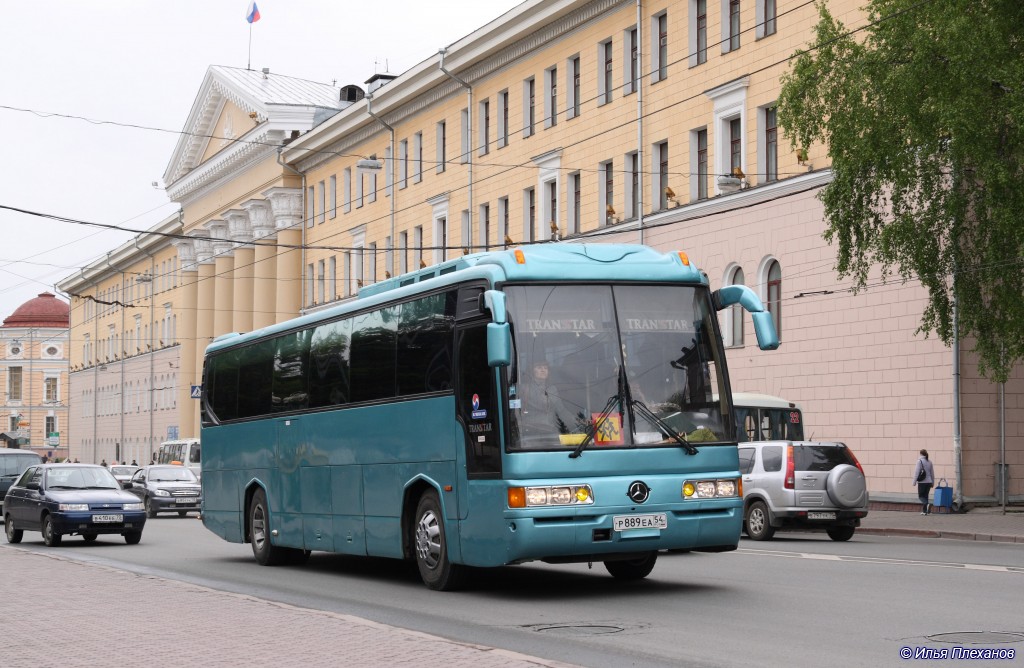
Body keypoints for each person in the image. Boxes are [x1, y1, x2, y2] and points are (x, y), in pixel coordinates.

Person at [520, 360, 568, 432]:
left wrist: (577, 421)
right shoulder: (524, 388)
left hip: (551, 428)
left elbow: (562, 410)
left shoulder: (552, 389)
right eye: (539, 367)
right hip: (530, 430)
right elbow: (516, 411)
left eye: (545, 368)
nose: (543, 370)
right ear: (532, 371)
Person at [912, 449, 935, 515]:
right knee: (926, 496)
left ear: (920, 454)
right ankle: (926, 511)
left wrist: (914, 482)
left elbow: (916, 472)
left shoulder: (919, 461)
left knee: (921, 496)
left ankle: (927, 504)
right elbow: (932, 473)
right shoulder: (929, 461)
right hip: (929, 482)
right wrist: (932, 482)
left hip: (922, 482)